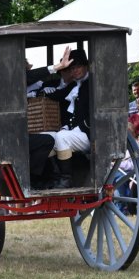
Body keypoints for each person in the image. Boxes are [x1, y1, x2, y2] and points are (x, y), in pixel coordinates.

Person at [41, 49, 91, 188]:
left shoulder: (93, 85)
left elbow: (93, 116)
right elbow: (59, 95)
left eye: (78, 67)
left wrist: (76, 128)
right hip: (74, 131)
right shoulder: (75, 85)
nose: (75, 71)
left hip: (89, 133)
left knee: (61, 137)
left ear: (86, 66)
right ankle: (53, 176)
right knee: (46, 137)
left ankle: (66, 179)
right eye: (72, 68)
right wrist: (41, 91)